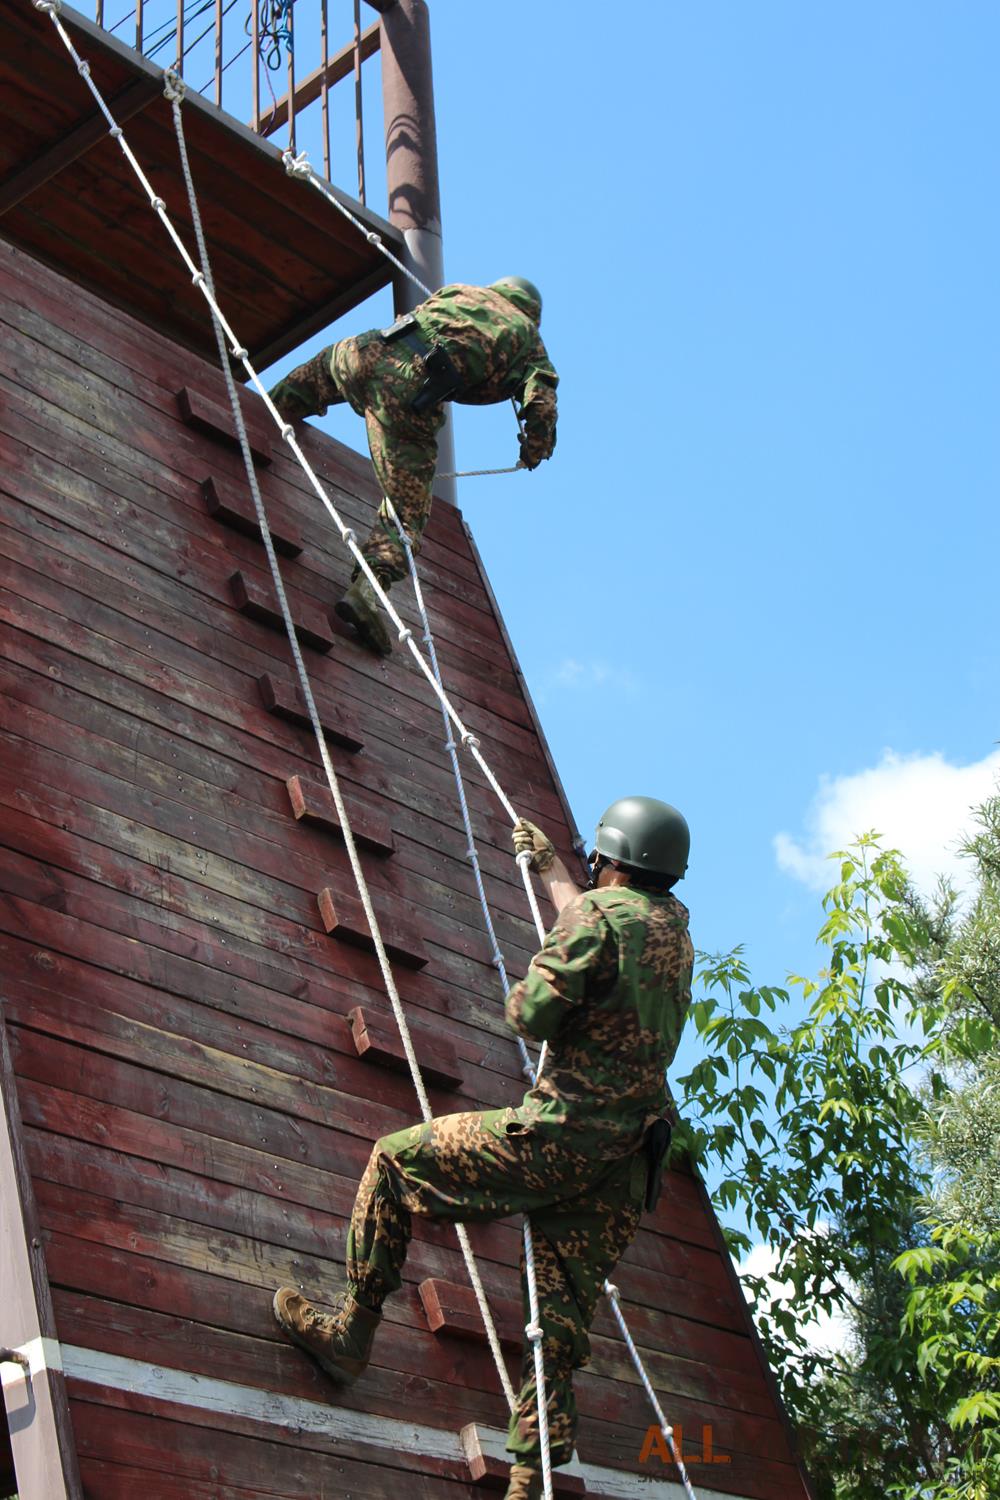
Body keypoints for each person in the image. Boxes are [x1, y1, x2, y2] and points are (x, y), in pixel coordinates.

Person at [272, 796, 693, 1500]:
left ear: (609, 862)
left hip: (559, 1138)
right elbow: (610, 928)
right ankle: (530, 1483)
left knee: (395, 1160)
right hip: (625, 1162)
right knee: (554, 1330)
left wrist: (550, 949)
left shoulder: (595, 917)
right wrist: (556, 874)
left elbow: (530, 1013)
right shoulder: (675, 933)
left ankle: (351, 1333)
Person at [268, 277, 558, 657]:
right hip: (408, 388)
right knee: (405, 516)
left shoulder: (461, 290)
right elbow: (541, 403)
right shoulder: (528, 340)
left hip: (365, 349)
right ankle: (366, 595)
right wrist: (536, 449)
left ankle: (245, 413)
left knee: (297, 391)